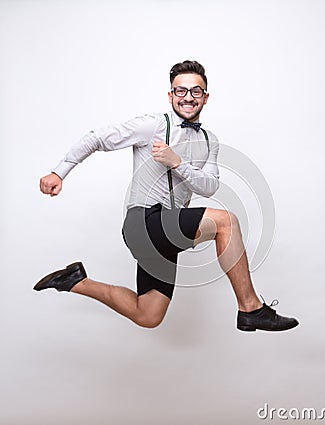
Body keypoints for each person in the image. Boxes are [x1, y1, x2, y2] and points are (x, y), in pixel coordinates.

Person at [35, 60, 299, 332]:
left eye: (196, 91)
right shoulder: (153, 125)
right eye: (180, 90)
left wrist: (177, 163)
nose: (188, 97)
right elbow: (98, 138)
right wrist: (59, 172)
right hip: (145, 222)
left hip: (168, 235)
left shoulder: (210, 140)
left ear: (205, 97)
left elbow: (209, 187)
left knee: (148, 314)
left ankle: (75, 281)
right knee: (227, 222)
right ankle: (250, 308)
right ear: (170, 95)